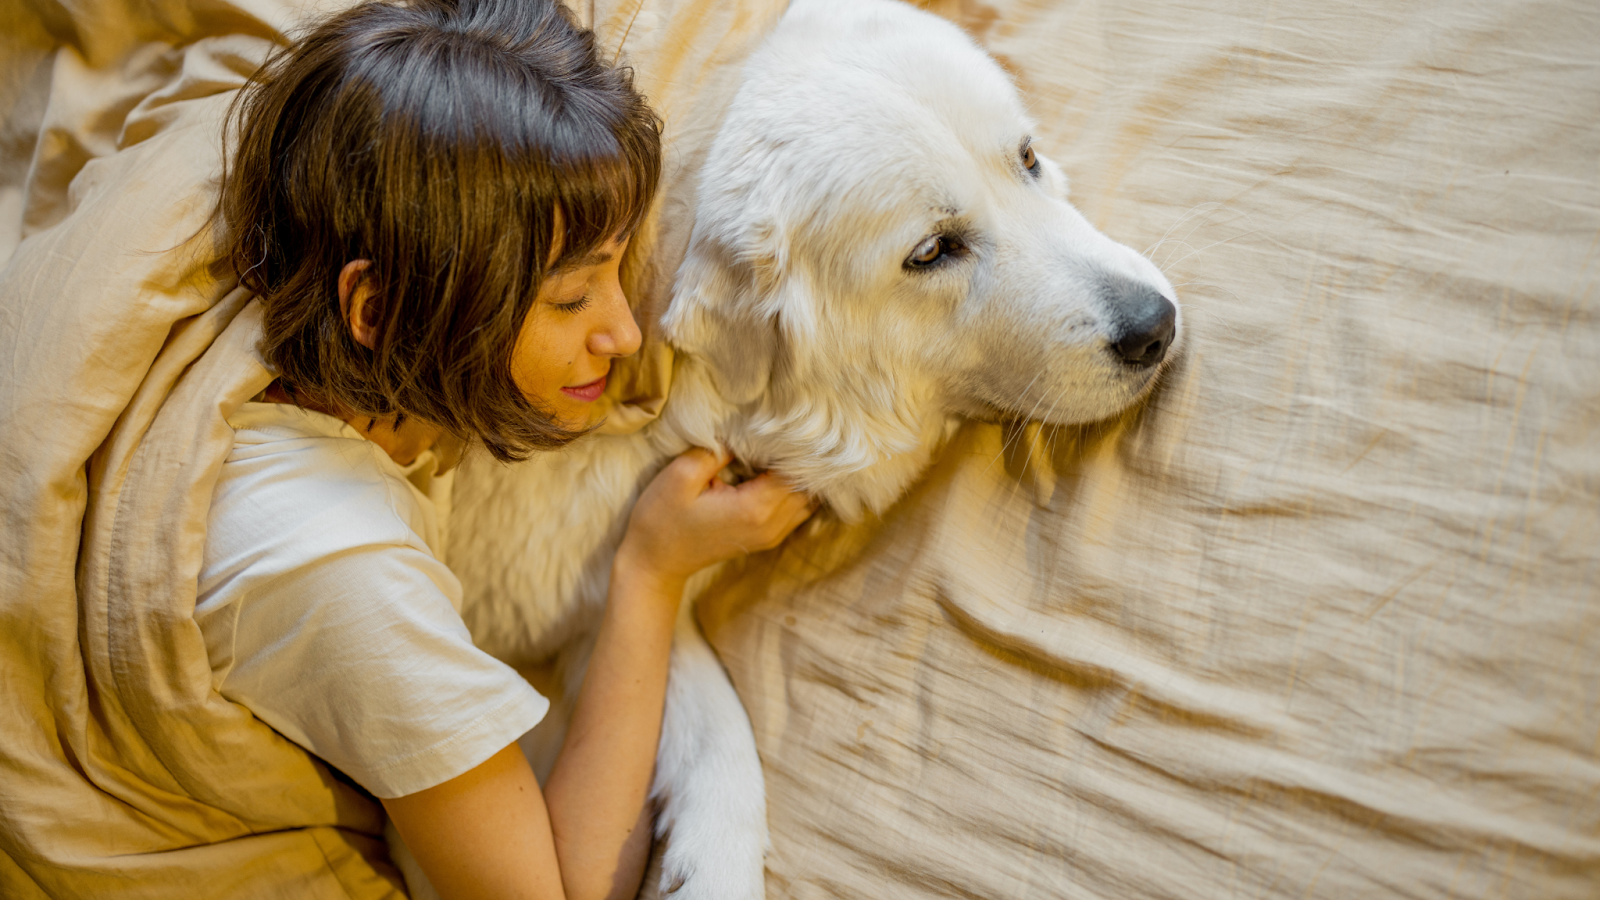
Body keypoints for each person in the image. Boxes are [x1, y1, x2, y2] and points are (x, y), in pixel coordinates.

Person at [202, 1, 812, 898]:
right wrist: (649, 573)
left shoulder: (330, 230)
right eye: (571, 301)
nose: (627, 333)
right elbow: (559, 889)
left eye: (619, 267)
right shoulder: (345, 574)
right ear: (375, 310)